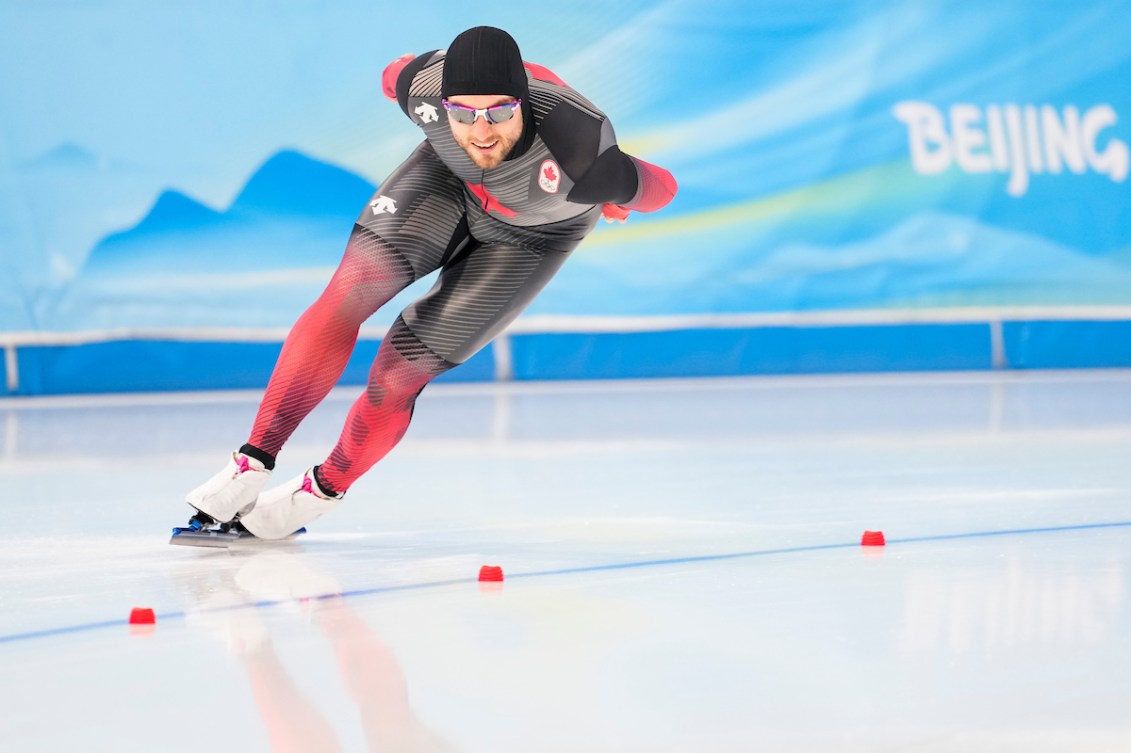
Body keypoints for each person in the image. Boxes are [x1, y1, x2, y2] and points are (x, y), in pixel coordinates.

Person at [184, 26, 677, 539]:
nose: (482, 132)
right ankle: (251, 463)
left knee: (399, 372)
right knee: (350, 291)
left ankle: (319, 491)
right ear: (443, 104)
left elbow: (663, 189)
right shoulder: (420, 84)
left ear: (524, 103)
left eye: (500, 113)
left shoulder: (579, 148)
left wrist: (618, 190)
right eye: (463, 114)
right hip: (445, 182)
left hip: (532, 238)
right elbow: (390, 74)